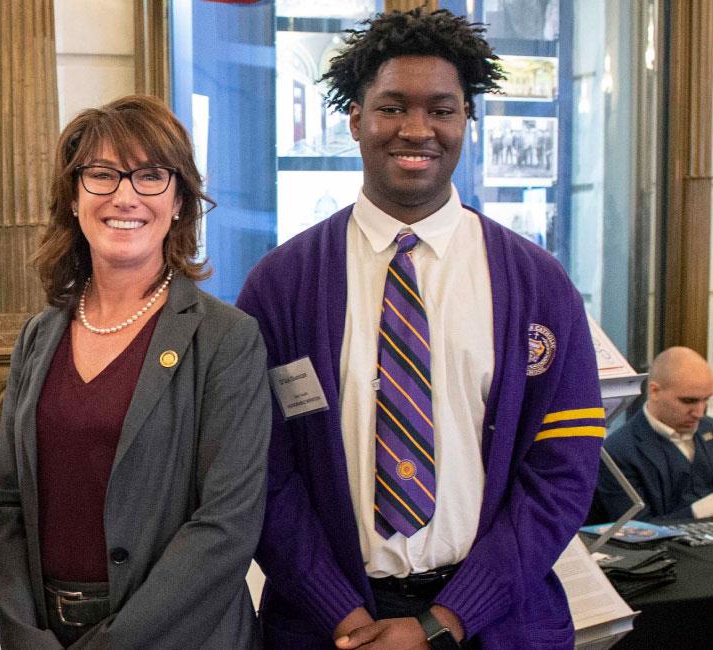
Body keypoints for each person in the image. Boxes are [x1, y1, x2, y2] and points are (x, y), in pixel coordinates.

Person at [236, 9, 604, 649]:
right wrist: (343, 616)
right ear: (354, 117)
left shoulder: (539, 287)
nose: (417, 129)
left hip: (496, 621)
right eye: (392, 107)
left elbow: (562, 473)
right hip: (327, 627)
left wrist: (446, 621)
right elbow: (261, 473)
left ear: (468, 120)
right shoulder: (280, 286)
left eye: (441, 109)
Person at [0, 95, 271, 649]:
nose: (125, 195)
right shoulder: (38, 338)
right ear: (72, 197)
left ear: (181, 200)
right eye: (102, 174)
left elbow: (226, 526)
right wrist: (24, 637)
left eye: (150, 176)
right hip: (48, 635)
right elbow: (4, 507)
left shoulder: (226, 340)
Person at [596, 346, 713, 521]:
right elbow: (636, 531)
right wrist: (700, 510)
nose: (699, 412)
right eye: (689, 401)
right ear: (654, 391)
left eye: (706, 400)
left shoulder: (708, 428)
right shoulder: (617, 454)